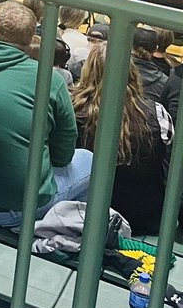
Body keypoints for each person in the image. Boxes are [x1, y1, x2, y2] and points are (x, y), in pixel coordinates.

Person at [0, 1, 90, 228]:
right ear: (31, 40)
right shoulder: (49, 80)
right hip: (13, 207)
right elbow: (63, 156)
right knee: (89, 161)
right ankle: (58, 240)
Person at [72, 43, 175, 235]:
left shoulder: (71, 108)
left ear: (87, 70)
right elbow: (168, 164)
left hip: (83, 215)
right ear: (132, 72)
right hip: (145, 217)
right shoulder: (158, 113)